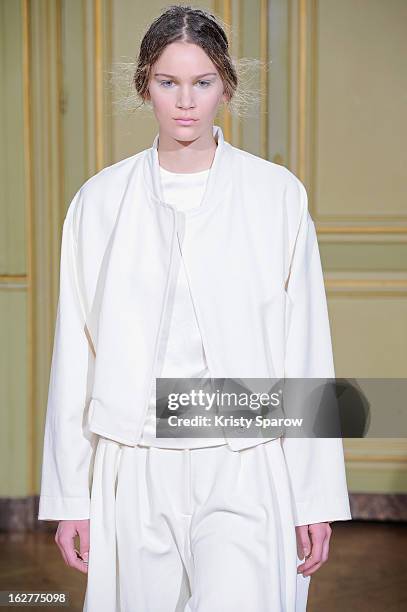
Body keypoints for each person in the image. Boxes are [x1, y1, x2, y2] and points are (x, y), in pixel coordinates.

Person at [37, 5, 352, 611]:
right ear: (143, 86)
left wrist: (314, 497)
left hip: (244, 460)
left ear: (226, 87)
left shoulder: (275, 198)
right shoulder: (98, 203)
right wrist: (70, 497)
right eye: (168, 82)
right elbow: (75, 356)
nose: (186, 101)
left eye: (202, 82)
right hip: (133, 463)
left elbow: (305, 347)